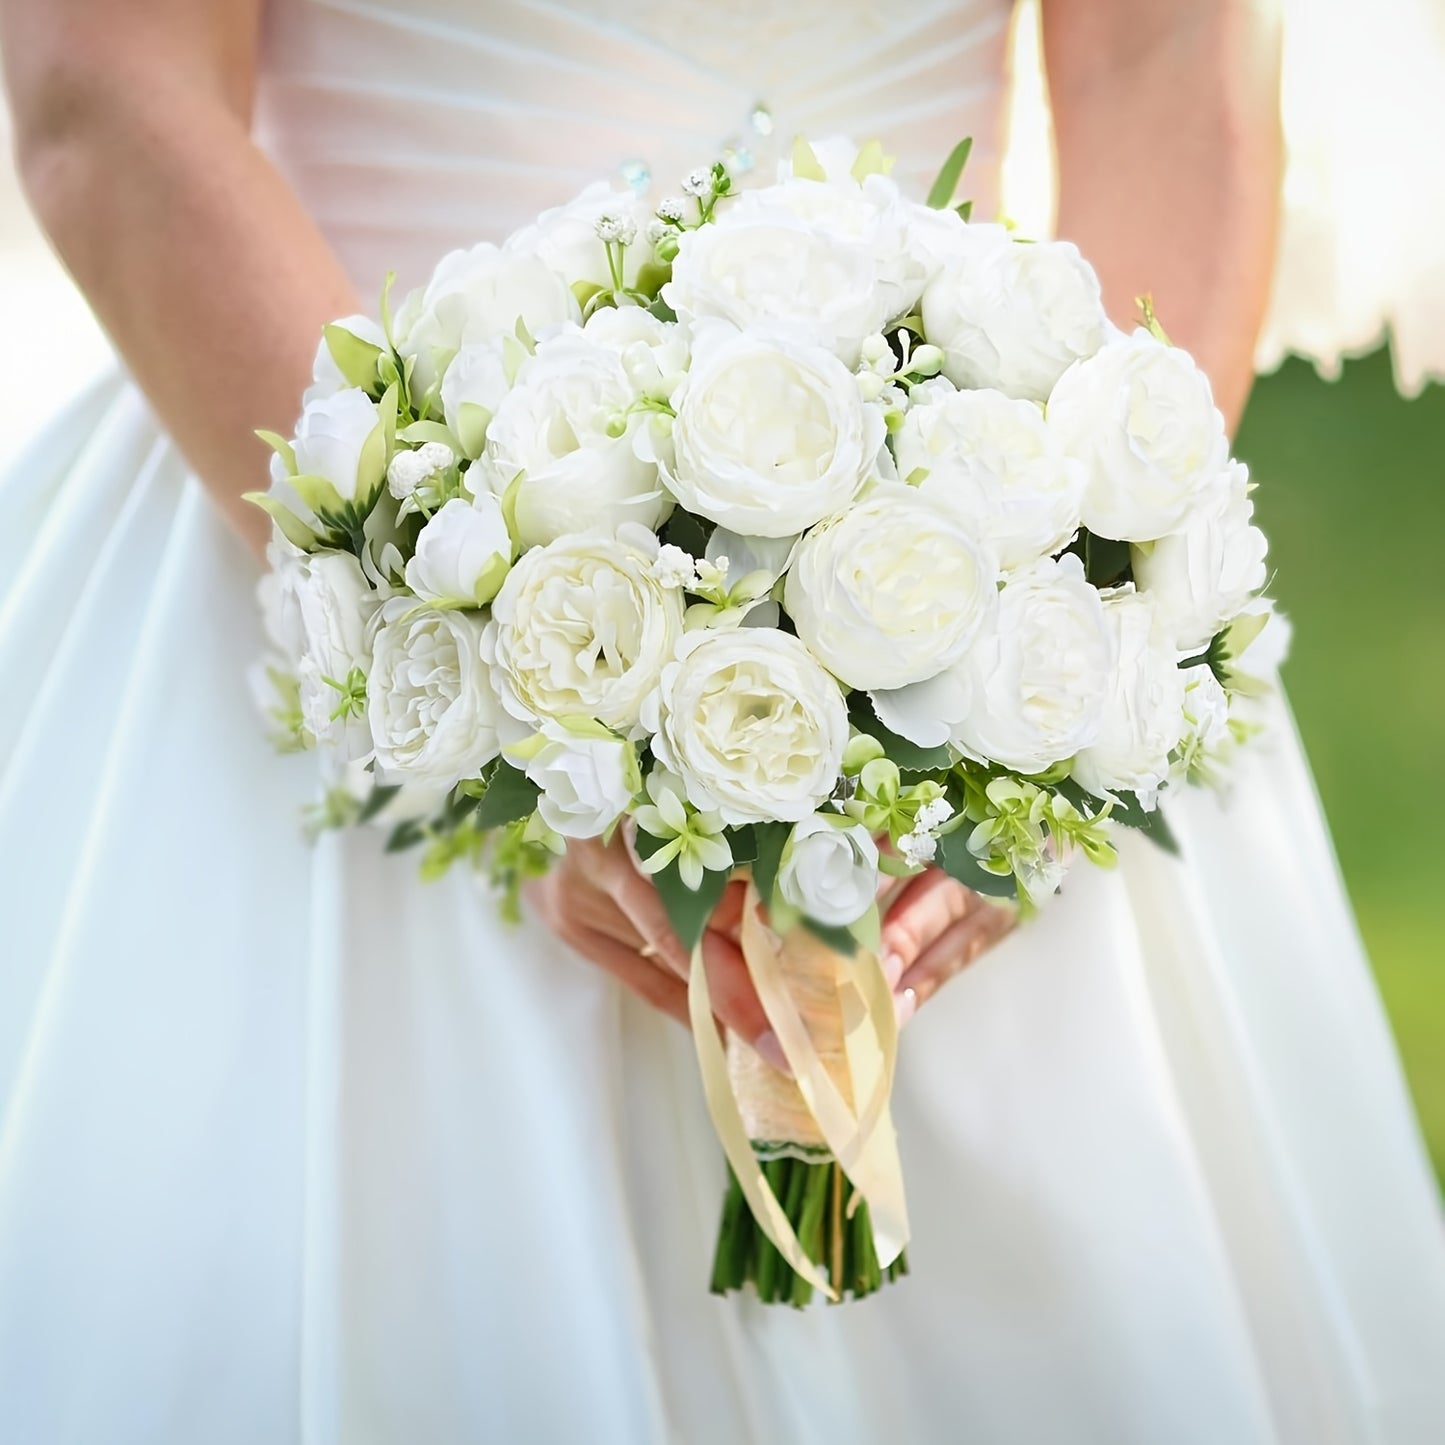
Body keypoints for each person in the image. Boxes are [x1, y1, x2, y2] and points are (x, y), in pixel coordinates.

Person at [0, 1, 1442, 1441]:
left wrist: (1062, 624)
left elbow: (1163, 51)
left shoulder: (1028, 620)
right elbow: (111, 90)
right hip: (326, 513)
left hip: (970, 541)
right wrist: (476, 667)